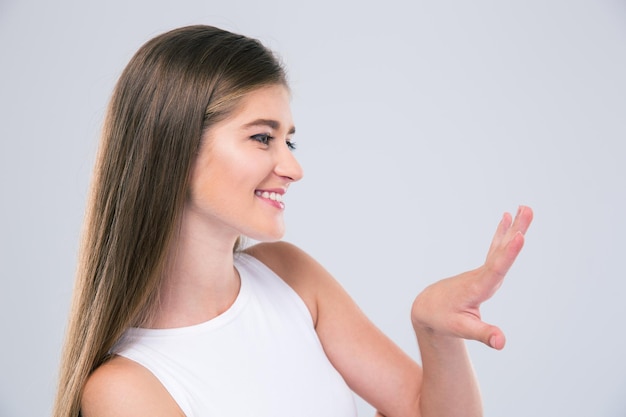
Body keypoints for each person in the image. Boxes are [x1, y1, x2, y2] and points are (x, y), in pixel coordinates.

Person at [53, 25, 533, 417]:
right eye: (263, 138)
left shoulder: (290, 277)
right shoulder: (124, 390)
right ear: (172, 149)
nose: (293, 168)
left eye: (290, 141)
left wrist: (435, 333)